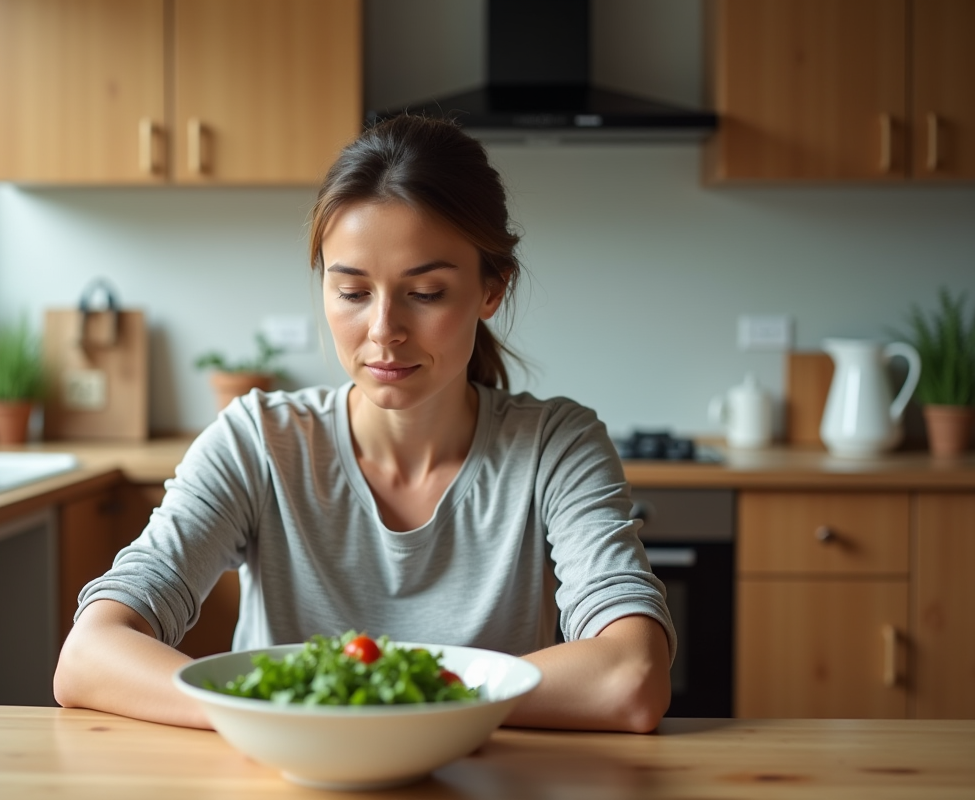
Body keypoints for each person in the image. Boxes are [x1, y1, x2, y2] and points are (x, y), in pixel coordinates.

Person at [53, 115, 674, 733]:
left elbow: (631, 674)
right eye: (352, 293)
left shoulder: (555, 447)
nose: (383, 331)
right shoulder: (258, 441)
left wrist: (358, 703)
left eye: (425, 293)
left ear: (492, 290)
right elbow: (89, 656)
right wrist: (298, 713)